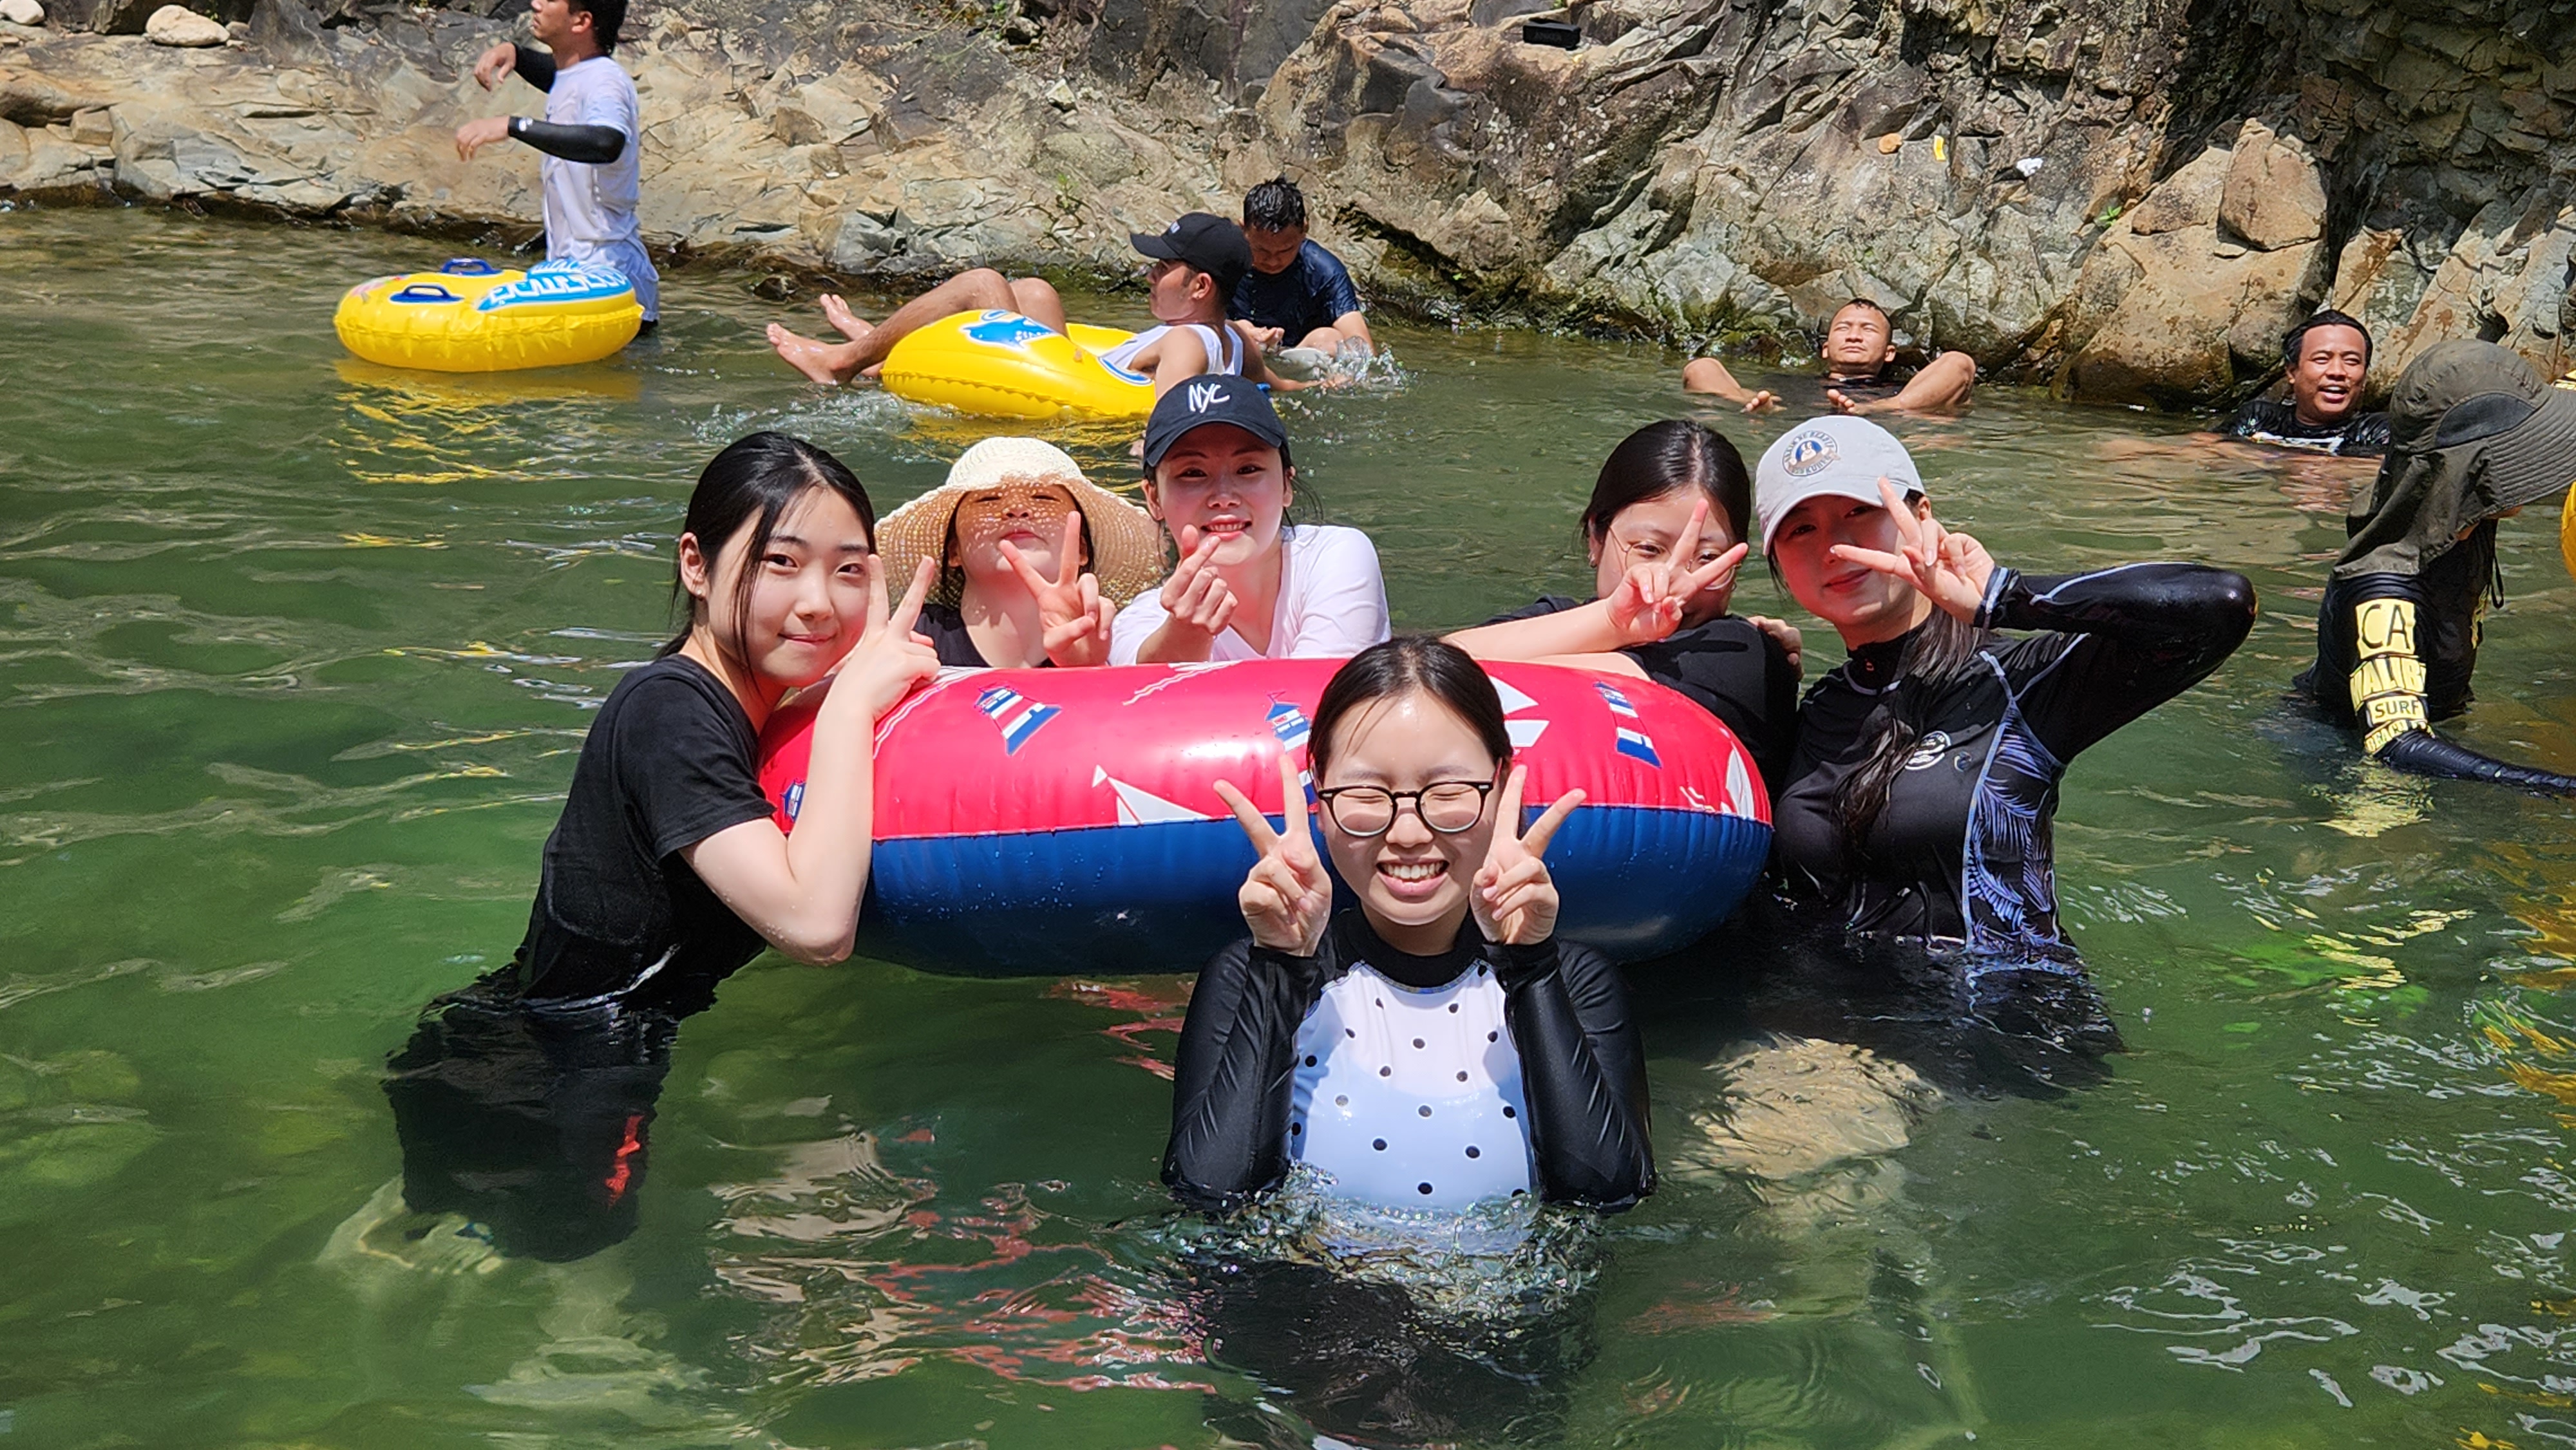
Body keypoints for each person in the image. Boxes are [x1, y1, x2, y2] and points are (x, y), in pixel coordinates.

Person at [1164, 637, 1654, 1213]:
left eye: (1447, 792)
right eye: (1366, 793)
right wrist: (1281, 969)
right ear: (1319, 793)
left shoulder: (1571, 980)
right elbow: (1211, 1197)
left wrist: (1529, 968)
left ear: (1501, 783)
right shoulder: (1247, 973)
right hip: (1305, 1275)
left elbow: (1609, 1196)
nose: (1408, 834)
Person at [1756, 415, 2254, 964]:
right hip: (1831, 1012)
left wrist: (2006, 596)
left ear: (1923, 517)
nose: (1835, 545)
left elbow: (2222, 607)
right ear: (1778, 564)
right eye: (1802, 530)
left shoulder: (2016, 679)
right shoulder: (1811, 708)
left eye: (1859, 511)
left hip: (2010, 1008)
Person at [507, 432, 940, 1006]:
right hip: (544, 1047)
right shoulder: (667, 712)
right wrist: (850, 705)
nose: (818, 603)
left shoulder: (765, 707)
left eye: (848, 570)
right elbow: (816, 928)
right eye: (781, 562)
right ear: (696, 566)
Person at [1443, 419, 1804, 786]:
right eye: (1649, 549)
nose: (1672, 581)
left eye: (1708, 558)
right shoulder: (1556, 617)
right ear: (1596, 539)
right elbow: (1435, 669)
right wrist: (1611, 622)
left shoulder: (1743, 655)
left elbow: (1461, 676)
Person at [2297, 340, 2576, 791]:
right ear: (2472, 476)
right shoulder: (2384, 597)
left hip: (2440, 727)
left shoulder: (2466, 526)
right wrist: (2559, 786)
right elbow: (2397, 746)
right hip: (2347, 762)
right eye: (2522, 450)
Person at [767, 214, 1295, 394]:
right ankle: (878, 350)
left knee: (983, 284)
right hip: (1071, 365)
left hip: (1060, 383)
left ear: (1200, 287)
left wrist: (1147, 460)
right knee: (1036, 291)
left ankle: (843, 362)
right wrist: (1323, 386)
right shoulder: (1234, 340)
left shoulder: (1184, 342)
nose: (1150, 274)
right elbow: (1276, 384)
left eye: (1163, 266)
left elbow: (1169, 410)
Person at [1110, 380, 1389, 664]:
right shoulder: (1138, 624)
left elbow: (1324, 687)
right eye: (1193, 473)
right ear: (1154, 499)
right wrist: (1185, 637)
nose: (1224, 497)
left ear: (1286, 485)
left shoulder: (1335, 557)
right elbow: (1143, 679)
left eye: (1248, 469)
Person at [871, 437, 1164, 669]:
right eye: (988, 499)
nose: (1017, 510)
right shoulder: (910, 636)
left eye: (1043, 498)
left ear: (1082, 550)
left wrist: (1090, 669)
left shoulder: (1113, 642)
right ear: (954, 551)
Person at [458, 0, 660, 325]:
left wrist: (515, 126)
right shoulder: (580, 73)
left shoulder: (606, 81)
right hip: (575, 269)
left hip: (609, 276)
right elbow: (565, 79)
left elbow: (606, 142)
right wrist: (517, 54)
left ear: (581, 22)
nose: (535, 3)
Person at [1683, 298, 1976, 416]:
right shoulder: (1789, 385)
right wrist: (1760, 404)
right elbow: (1699, 372)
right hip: (1791, 422)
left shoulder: (1906, 391)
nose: (1854, 336)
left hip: (1884, 418)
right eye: (1844, 328)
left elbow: (1961, 368)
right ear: (1825, 349)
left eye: (1868, 330)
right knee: (1701, 366)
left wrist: (1878, 409)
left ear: (1890, 353)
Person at [1233, 176, 1374, 363]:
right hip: (1241, 352)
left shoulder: (1324, 271)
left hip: (1299, 358)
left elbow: (1363, 347)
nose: (1273, 261)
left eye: (1285, 250)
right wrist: (1240, 330)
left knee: (1328, 339)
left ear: (1304, 230)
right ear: (1243, 229)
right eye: (1261, 250)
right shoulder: (1225, 260)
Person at [2217, 309, 2391, 456]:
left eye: (2352, 361)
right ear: (2292, 372)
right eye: (2322, 359)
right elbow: (2206, 451)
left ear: (2364, 375)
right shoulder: (2258, 419)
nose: (2337, 372)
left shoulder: (2378, 431)